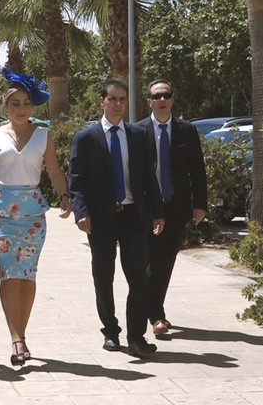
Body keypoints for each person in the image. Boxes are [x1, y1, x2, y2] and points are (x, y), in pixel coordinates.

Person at [0, 68, 72, 367]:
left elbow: (53, 170)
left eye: (26, 103)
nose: (21, 108)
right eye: (15, 103)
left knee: (27, 277)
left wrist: (65, 197)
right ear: (5, 106)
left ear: (33, 106)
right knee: (9, 276)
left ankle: (22, 335)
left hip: (33, 214)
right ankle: (16, 337)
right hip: (1, 212)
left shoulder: (44, 135)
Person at [68, 77, 165, 357]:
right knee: (103, 276)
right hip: (101, 218)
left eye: (122, 99)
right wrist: (81, 213)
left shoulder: (137, 135)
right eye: (112, 99)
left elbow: (149, 177)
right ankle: (111, 331)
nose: (118, 104)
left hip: (134, 216)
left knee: (138, 278)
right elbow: (78, 181)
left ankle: (136, 337)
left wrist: (157, 212)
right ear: (102, 101)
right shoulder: (86, 138)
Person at [137, 79, 207, 336]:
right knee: (147, 263)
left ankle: (155, 313)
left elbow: (197, 170)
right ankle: (153, 312)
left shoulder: (186, 130)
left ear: (172, 99)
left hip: (176, 206)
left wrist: (200, 204)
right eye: (157, 96)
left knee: (165, 262)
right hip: (146, 207)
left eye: (166, 95)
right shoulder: (139, 131)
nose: (162, 100)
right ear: (149, 101)